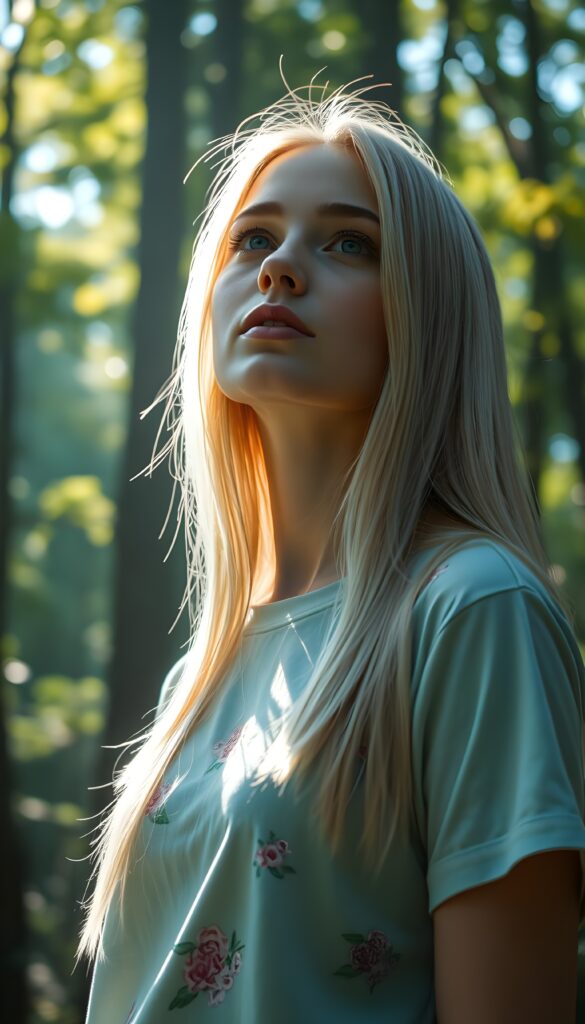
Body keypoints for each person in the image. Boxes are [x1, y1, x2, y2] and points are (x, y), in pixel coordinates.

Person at [78, 74, 585, 1023]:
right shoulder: (207, 662)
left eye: (348, 242)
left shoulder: (470, 608)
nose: (280, 267)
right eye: (253, 238)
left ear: (425, 313)